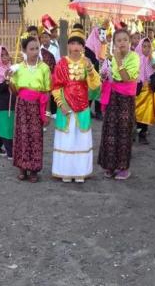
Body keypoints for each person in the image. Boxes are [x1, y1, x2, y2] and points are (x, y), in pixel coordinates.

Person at [51, 28, 101, 183]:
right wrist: (61, 104)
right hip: (65, 106)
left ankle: (80, 171)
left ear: (83, 47)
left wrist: (91, 70)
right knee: (66, 138)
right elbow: (56, 86)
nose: (75, 47)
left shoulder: (87, 63)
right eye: (72, 43)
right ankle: (65, 171)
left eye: (79, 44)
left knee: (81, 138)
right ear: (68, 46)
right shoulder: (61, 63)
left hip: (82, 107)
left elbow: (95, 85)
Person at [7, 35, 51, 182]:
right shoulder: (18, 68)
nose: (34, 51)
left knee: (35, 137)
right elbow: (14, 91)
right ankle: (22, 168)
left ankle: (33, 170)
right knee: (22, 136)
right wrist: (9, 81)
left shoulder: (44, 68)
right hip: (22, 106)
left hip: (37, 106)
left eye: (37, 48)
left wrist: (48, 112)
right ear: (24, 50)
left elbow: (47, 91)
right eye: (31, 49)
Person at [98, 29, 140, 180]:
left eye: (125, 40)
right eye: (118, 40)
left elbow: (126, 77)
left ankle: (122, 168)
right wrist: (105, 75)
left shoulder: (134, 57)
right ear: (114, 43)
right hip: (113, 96)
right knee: (109, 130)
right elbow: (110, 75)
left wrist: (119, 61)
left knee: (123, 131)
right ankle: (109, 165)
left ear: (129, 42)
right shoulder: (111, 57)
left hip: (126, 99)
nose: (122, 43)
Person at [73, 23, 102, 121]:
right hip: (90, 72)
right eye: (98, 31)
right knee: (90, 92)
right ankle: (87, 111)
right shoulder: (89, 44)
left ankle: (98, 112)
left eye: (100, 32)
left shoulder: (101, 43)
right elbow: (89, 59)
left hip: (99, 71)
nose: (99, 33)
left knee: (98, 92)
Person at [134, 38, 155, 144]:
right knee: (135, 114)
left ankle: (142, 135)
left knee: (146, 114)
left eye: (149, 46)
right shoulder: (135, 60)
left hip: (149, 91)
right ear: (140, 47)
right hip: (137, 91)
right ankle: (133, 132)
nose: (147, 49)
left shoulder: (152, 59)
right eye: (144, 46)